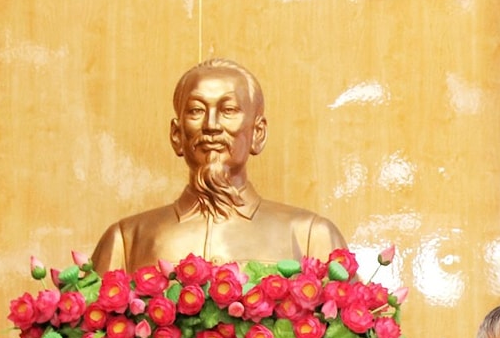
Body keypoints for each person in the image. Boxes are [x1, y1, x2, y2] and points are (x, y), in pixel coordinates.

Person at [91, 59, 345, 272]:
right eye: (196, 111)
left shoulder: (310, 236)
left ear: (257, 133)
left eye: (228, 110)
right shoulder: (126, 241)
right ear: (177, 135)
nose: (211, 125)